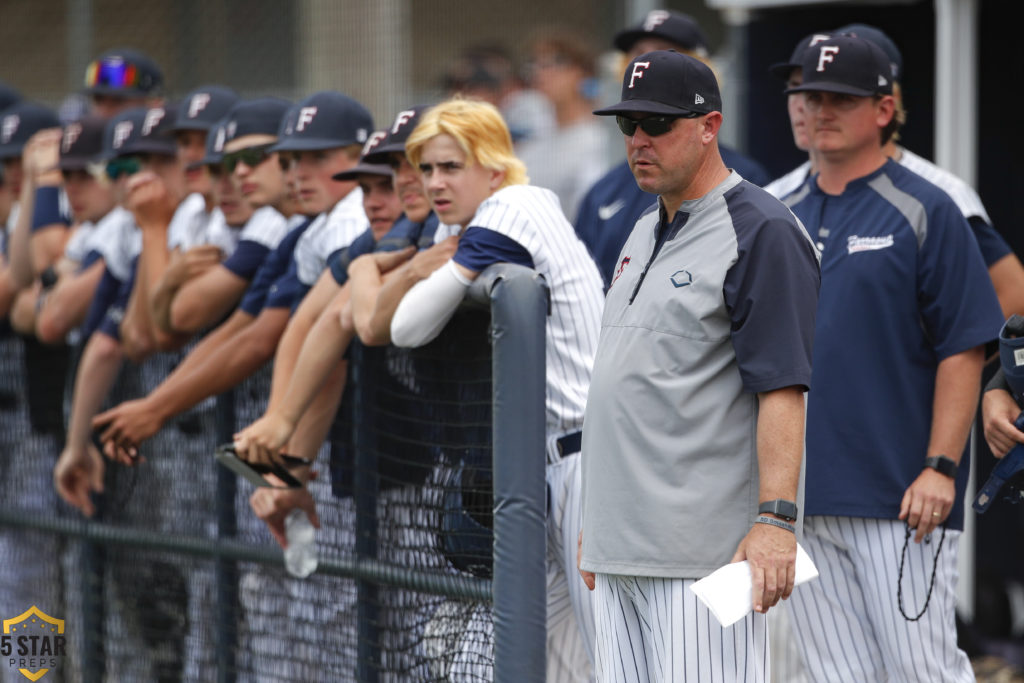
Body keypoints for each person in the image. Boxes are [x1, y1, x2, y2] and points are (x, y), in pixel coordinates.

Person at [576, 50, 820, 682]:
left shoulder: (761, 228)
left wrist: (774, 521)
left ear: (709, 125)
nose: (638, 141)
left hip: (702, 555)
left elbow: (783, 391)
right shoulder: (643, 225)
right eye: (628, 125)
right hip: (621, 544)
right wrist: (596, 523)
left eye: (656, 125)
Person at [780, 35, 1002, 682]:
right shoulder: (777, 210)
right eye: (809, 96)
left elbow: (964, 345)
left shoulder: (929, 204)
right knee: (834, 673)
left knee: (920, 669)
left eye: (840, 99)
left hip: (900, 494)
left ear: (883, 109)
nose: (821, 110)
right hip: (800, 495)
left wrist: (939, 466)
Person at [391, 97, 604, 682]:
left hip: (595, 459)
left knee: (617, 648)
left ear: (492, 166)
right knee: (484, 663)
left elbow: (406, 327)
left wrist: (427, 269)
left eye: (450, 167)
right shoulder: (470, 219)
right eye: (427, 168)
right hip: (547, 466)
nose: (434, 182)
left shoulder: (513, 205)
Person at [766, 24, 1024, 319]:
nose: (808, 107)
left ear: (888, 102)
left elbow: (1014, 296)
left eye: (841, 93)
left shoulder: (939, 194)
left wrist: (942, 360)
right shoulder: (777, 196)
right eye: (805, 89)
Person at [573, 9, 771, 289]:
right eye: (639, 53)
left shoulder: (748, 182)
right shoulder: (603, 192)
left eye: (668, 52)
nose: (649, 62)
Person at [516, 28, 610, 221]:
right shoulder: (532, 142)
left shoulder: (599, 140)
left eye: (555, 62)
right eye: (535, 63)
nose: (541, 72)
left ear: (582, 72)